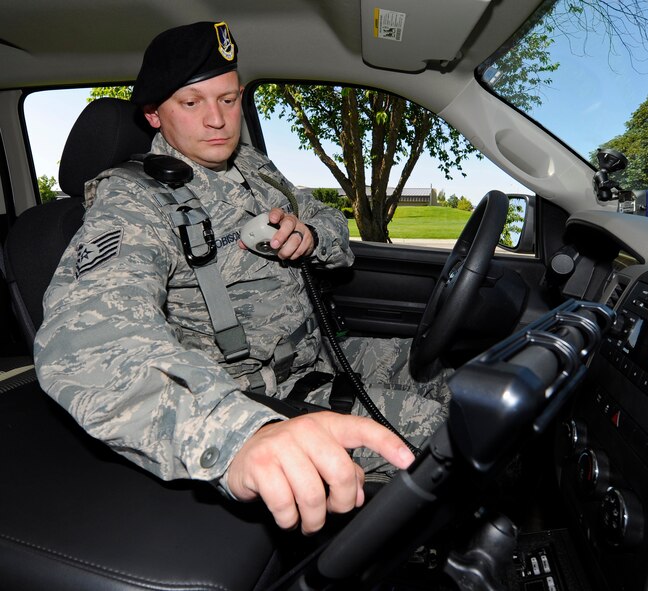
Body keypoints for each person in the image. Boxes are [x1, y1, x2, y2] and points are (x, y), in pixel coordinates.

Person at [33, 21, 449, 535]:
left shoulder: (254, 166)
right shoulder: (134, 199)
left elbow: (331, 226)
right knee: (436, 432)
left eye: (229, 100)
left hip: (320, 356)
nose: (217, 120)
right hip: (249, 395)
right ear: (153, 114)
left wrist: (312, 239)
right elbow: (85, 340)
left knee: (458, 379)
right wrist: (239, 437)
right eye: (191, 103)